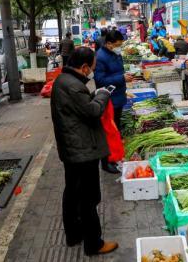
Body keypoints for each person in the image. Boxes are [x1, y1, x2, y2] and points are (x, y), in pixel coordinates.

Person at [50, 47, 119, 256]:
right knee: (88, 197)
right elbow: (93, 111)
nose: (92, 73)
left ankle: (74, 234)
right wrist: (103, 94)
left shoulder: (62, 81)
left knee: (72, 192)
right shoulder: (73, 86)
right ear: (84, 67)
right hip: (81, 150)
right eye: (92, 69)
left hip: (71, 148)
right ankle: (94, 243)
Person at [94, 30, 133, 174]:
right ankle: (106, 162)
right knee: (108, 132)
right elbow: (100, 80)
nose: (119, 47)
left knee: (115, 130)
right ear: (109, 43)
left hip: (118, 97)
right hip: (109, 101)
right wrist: (121, 78)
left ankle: (114, 157)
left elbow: (116, 72)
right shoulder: (101, 57)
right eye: (117, 45)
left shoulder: (114, 54)